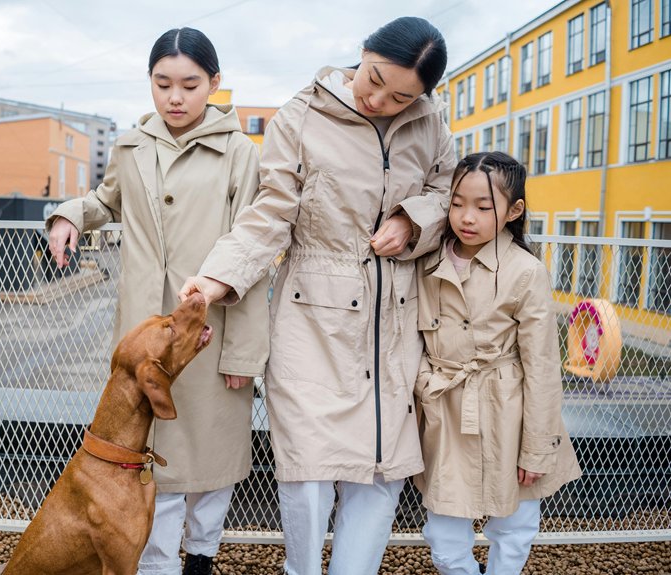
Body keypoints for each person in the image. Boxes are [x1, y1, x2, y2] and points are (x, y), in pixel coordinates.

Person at [179, 17, 455, 575]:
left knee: (381, 474)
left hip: (396, 320)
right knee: (306, 472)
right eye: (374, 79)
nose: (379, 100)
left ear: (423, 96)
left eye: (402, 96)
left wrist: (412, 219)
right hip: (311, 318)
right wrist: (216, 277)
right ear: (363, 52)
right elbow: (271, 213)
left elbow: (448, 190)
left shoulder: (432, 125)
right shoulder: (300, 116)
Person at [46, 28, 269, 575]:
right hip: (145, 338)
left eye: (190, 85)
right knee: (152, 464)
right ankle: (160, 565)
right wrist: (70, 214)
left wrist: (243, 355)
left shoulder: (241, 154)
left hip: (209, 335)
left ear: (214, 84)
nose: (175, 97)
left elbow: (253, 252)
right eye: (162, 83)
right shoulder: (130, 145)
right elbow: (105, 200)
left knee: (213, 464)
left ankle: (202, 558)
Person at [413, 151, 583, 575]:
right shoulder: (425, 260)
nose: (466, 217)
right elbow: (407, 338)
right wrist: (422, 382)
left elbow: (543, 366)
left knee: (514, 529)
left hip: (512, 412)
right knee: (444, 538)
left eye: (483, 206)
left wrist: (537, 448)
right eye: (456, 203)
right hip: (445, 409)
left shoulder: (525, 271)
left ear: (514, 210)